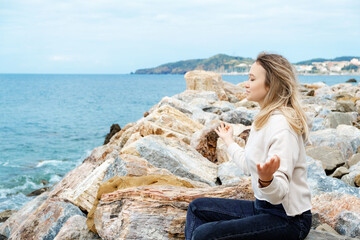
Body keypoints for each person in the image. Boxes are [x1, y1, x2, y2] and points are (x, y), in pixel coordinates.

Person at [185, 52, 312, 240]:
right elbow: (248, 165)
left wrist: (267, 179)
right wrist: (228, 141)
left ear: (271, 85)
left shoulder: (283, 127)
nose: (246, 84)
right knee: (196, 207)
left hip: (288, 218)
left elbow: (280, 193)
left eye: (252, 79)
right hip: (262, 207)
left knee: (204, 235)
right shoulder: (263, 118)